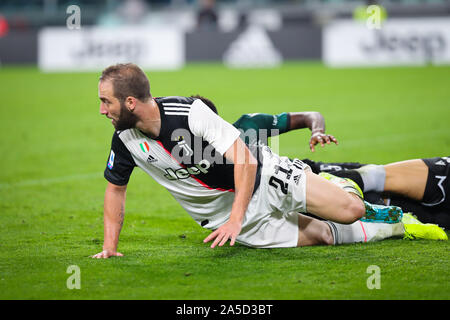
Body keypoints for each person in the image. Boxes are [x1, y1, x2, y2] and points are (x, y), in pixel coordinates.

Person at [92, 63, 446, 259]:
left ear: (131, 102)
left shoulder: (191, 113)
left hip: (264, 173)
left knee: (349, 210)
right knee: (322, 235)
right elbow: (115, 190)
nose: (102, 110)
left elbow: (245, 161)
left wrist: (235, 220)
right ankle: (398, 226)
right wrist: (110, 249)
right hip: (221, 215)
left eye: (107, 102)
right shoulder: (124, 140)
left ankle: (341, 183)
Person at [204, 103, 449, 228]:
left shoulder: (249, 125)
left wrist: (317, 131)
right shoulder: (201, 163)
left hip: (313, 175)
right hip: (296, 202)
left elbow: (311, 115)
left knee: (380, 178)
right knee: (391, 204)